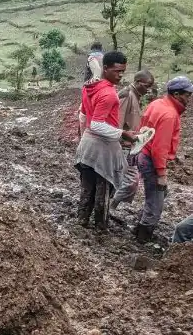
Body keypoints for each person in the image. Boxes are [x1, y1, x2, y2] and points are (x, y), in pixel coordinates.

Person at [74, 51, 136, 231]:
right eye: (117, 71)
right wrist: (124, 134)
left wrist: (82, 139)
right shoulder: (108, 93)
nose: (120, 75)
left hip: (87, 146)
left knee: (87, 187)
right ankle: (100, 227)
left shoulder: (88, 87)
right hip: (102, 148)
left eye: (123, 71)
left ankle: (81, 221)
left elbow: (84, 115)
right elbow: (97, 125)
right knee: (103, 189)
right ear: (106, 68)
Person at [133, 76, 193, 242]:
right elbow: (160, 148)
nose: (189, 98)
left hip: (144, 154)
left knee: (155, 197)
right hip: (152, 160)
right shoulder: (169, 115)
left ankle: (139, 228)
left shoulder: (157, 104)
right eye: (187, 95)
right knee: (156, 204)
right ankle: (142, 240)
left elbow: (142, 128)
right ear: (176, 94)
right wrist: (162, 174)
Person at [110, 70, 155, 211]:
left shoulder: (136, 96)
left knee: (126, 180)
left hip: (131, 145)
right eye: (146, 86)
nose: (148, 90)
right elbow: (117, 123)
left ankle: (111, 206)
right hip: (122, 145)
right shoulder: (127, 95)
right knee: (129, 180)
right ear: (137, 82)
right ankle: (110, 206)